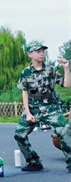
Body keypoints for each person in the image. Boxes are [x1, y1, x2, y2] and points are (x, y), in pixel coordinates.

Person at [14, 43, 71, 173]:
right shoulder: (26, 72)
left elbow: (67, 84)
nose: (42, 53)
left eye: (43, 51)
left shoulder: (51, 70)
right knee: (19, 135)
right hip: (33, 108)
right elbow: (25, 92)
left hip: (51, 107)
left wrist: (66, 68)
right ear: (30, 54)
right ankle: (34, 162)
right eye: (38, 51)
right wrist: (28, 113)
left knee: (66, 130)